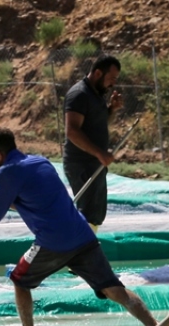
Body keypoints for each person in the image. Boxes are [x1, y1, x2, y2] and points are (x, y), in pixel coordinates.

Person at [0, 126, 158, 326]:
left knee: (20, 281)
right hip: (82, 235)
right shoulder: (40, 162)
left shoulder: (7, 172)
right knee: (114, 289)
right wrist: (3, 201)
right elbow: (36, 201)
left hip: (53, 242)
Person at [64, 55, 123, 232]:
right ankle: (79, 252)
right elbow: (72, 131)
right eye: (111, 78)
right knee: (87, 213)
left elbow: (99, 124)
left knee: (95, 214)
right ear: (98, 73)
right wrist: (99, 153)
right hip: (81, 163)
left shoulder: (96, 95)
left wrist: (112, 110)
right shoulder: (79, 94)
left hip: (94, 163)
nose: (112, 84)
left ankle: (86, 252)